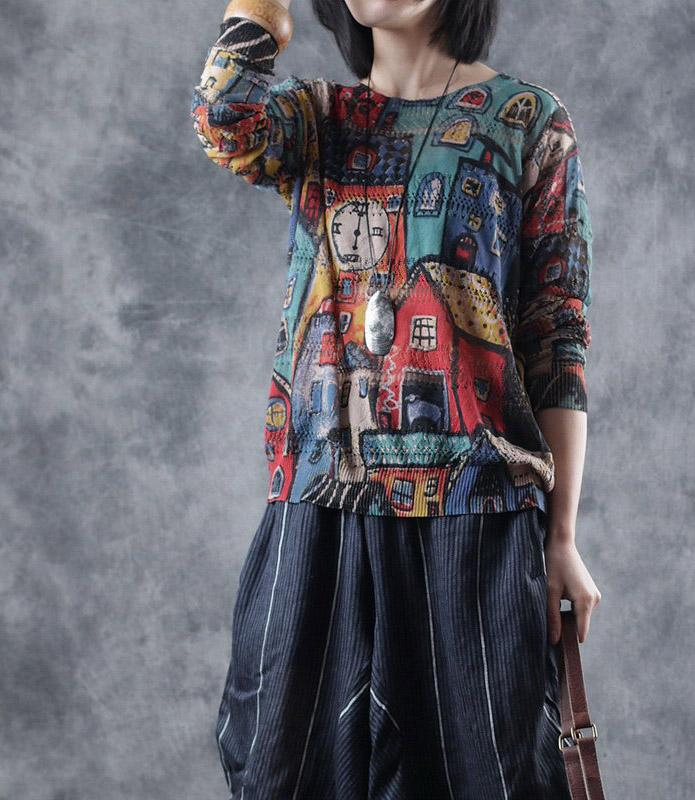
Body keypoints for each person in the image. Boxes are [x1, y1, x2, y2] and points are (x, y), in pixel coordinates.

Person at [190, 0, 602, 796]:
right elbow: (224, 118)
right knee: (283, 770)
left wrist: (560, 537)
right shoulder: (314, 121)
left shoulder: (527, 122)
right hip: (318, 511)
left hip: (476, 521)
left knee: (489, 773)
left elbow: (556, 340)